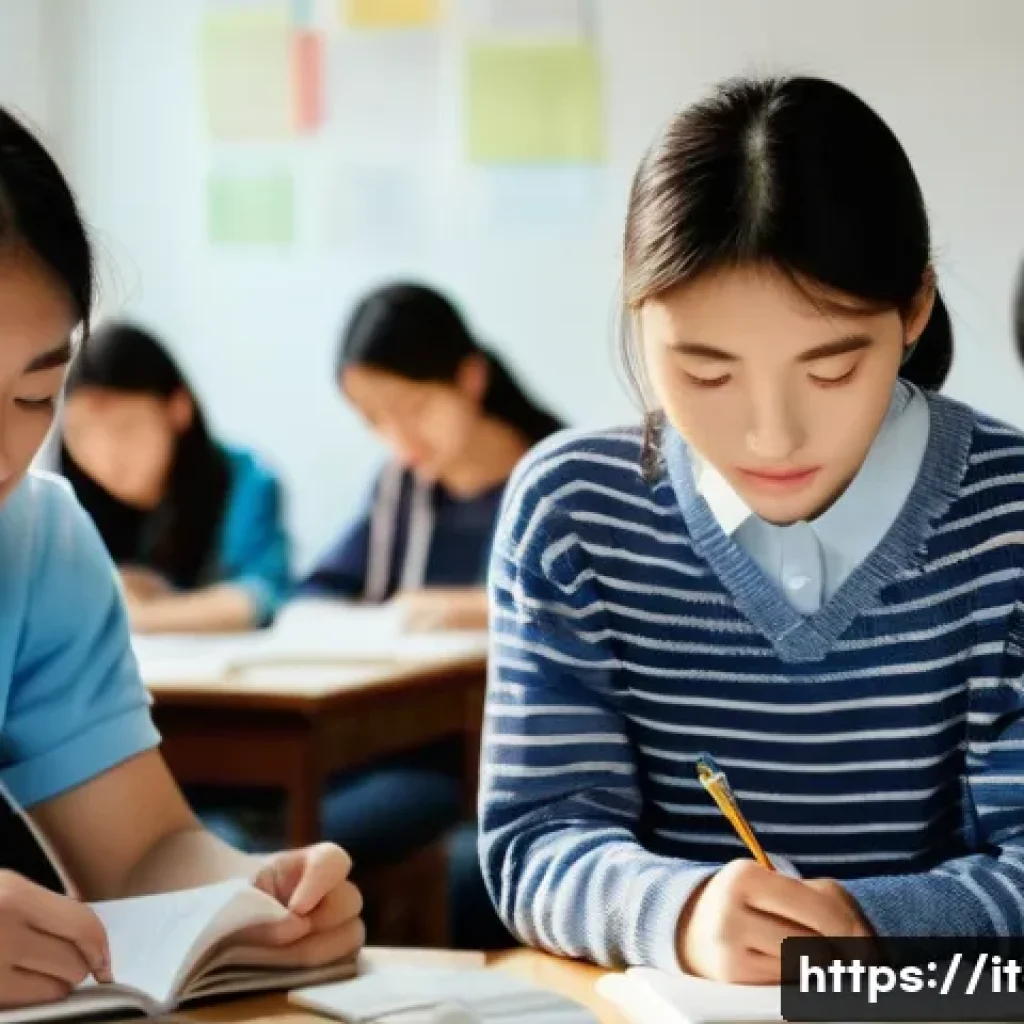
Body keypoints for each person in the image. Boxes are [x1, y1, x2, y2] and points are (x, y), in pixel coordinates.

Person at [479, 74, 1024, 986]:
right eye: (706, 372)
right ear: (638, 318)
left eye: (832, 368)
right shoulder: (572, 512)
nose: (771, 437)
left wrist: (867, 929)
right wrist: (680, 914)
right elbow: (536, 838)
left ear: (915, 310)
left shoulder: (1009, 518)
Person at [0, 108, 362, 1009]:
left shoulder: (40, 545)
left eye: (32, 394)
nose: (2, 454)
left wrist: (243, 894)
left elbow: (139, 850)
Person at [298, 282, 563, 632]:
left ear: (471, 378)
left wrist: (480, 609)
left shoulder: (560, 483)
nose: (399, 437)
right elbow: (314, 595)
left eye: (415, 408)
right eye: (374, 419)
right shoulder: (400, 490)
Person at [58, 323, 291, 635]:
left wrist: (136, 614)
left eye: (126, 427)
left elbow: (261, 598)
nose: (105, 455)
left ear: (178, 408)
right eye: (81, 433)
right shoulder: (62, 499)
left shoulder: (245, 482)